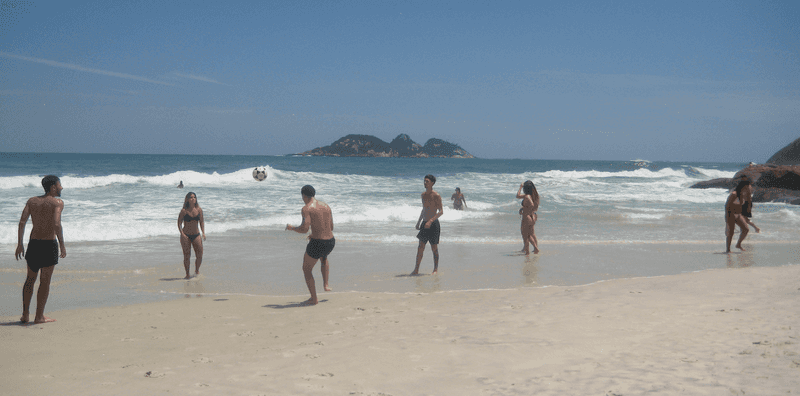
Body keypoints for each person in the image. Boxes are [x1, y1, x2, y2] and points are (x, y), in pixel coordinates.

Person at [15, 175, 66, 324]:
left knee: (30, 279)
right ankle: (39, 317)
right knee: (45, 282)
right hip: (49, 245)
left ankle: (25, 315)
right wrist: (62, 245)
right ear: (53, 187)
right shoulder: (58, 203)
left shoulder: (32, 201)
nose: (61, 187)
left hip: (34, 244)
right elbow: (56, 224)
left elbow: (22, 222)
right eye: (59, 185)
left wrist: (20, 244)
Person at [286, 185, 335, 306]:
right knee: (323, 257)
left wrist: (292, 228)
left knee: (306, 269)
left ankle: (314, 299)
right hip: (330, 241)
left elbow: (303, 229)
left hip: (317, 243)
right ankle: (326, 284)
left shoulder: (306, 208)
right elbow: (331, 227)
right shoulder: (326, 206)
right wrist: (315, 233)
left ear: (303, 195)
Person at [412, 174, 444, 275]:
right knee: (420, 247)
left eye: (427, 181)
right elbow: (424, 209)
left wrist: (431, 221)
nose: (425, 183)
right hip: (424, 223)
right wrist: (418, 222)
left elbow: (441, 211)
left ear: (432, 183)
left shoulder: (436, 196)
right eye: (424, 181)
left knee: (434, 247)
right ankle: (416, 269)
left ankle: (435, 269)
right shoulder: (423, 195)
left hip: (433, 224)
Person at [178, 192, 206, 279]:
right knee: (187, 255)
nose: (193, 199)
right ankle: (187, 274)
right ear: (187, 199)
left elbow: (201, 221)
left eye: (194, 197)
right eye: (191, 197)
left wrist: (203, 232)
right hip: (186, 235)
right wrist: (182, 233)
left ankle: (196, 271)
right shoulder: (184, 211)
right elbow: (179, 223)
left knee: (200, 254)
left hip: (196, 234)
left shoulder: (199, 210)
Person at [725, 180, 751, 252]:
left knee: (746, 229)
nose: (750, 187)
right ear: (744, 187)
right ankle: (728, 249)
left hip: (739, 215)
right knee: (731, 233)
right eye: (748, 186)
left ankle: (738, 244)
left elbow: (741, 206)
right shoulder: (734, 194)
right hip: (731, 214)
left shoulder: (743, 195)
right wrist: (727, 219)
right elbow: (727, 206)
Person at [516, 180, 540, 255]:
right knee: (531, 234)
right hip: (533, 215)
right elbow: (534, 207)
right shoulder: (536, 196)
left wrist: (520, 187)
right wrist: (524, 208)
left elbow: (517, 195)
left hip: (526, 217)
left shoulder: (526, 196)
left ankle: (529, 251)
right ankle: (534, 249)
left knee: (525, 235)